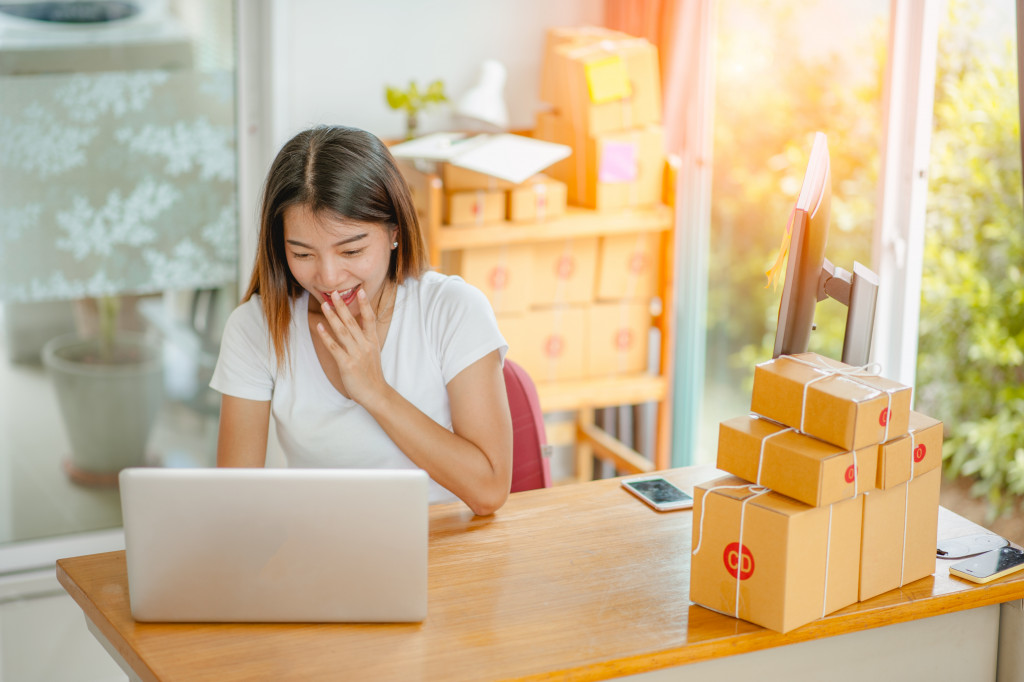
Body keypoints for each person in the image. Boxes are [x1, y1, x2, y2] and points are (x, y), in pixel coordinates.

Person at [210, 125, 512, 516]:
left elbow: (489, 491)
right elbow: (234, 506)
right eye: (302, 254)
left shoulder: (452, 309)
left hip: (441, 549)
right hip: (322, 554)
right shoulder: (257, 328)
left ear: (394, 232)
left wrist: (375, 391)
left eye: (351, 250)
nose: (329, 277)